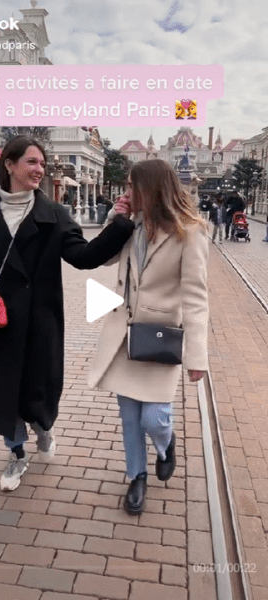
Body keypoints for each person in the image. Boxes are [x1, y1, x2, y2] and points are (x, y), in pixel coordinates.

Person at [0, 136, 136, 491]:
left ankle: (43, 430)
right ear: (10, 165)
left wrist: (120, 225)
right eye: (32, 162)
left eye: (42, 164)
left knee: (38, 390)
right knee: (3, 392)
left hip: (39, 320)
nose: (39, 170)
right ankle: (16, 455)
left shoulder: (53, 214)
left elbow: (84, 256)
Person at [87, 159, 209, 515]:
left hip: (160, 339)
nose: (126, 192)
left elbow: (196, 297)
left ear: (149, 190)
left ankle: (166, 444)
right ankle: (136, 476)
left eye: (131, 187)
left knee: (153, 418)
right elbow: (105, 260)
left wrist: (197, 356)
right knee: (128, 416)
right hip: (124, 335)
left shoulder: (191, 231)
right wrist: (116, 218)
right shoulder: (132, 224)